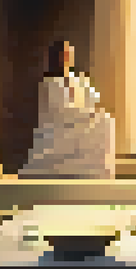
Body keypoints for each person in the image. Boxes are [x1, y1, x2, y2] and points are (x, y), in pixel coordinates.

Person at [20, 40, 116, 179]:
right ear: (56, 57)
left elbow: (93, 100)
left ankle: (100, 169)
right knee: (98, 121)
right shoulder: (50, 83)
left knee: (106, 121)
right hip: (59, 127)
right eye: (63, 54)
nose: (66, 58)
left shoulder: (78, 80)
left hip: (80, 122)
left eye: (68, 54)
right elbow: (60, 111)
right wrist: (86, 114)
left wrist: (87, 94)